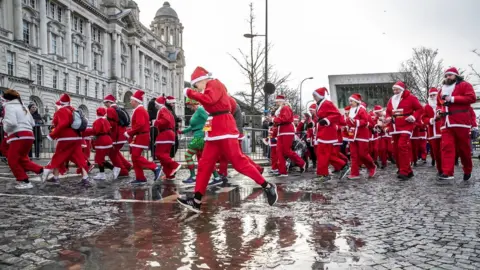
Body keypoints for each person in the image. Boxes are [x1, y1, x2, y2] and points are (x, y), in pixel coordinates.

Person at [178, 66, 277, 213]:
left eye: (196, 85)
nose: (196, 88)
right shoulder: (209, 88)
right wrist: (207, 130)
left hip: (224, 129)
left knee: (238, 162)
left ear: (201, 80)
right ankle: (196, 201)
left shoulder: (214, 83)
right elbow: (211, 106)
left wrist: (189, 92)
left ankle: (268, 186)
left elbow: (210, 100)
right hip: (215, 130)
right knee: (205, 164)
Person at [436, 67, 476, 181]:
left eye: (450, 75)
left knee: (464, 149)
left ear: (456, 75)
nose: (448, 77)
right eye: (446, 75)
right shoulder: (441, 89)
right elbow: (439, 104)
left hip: (461, 122)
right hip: (446, 123)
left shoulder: (465, 85)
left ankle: (467, 169)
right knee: (446, 147)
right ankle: (447, 172)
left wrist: (453, 99)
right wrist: (438, 111)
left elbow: (471, 98)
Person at [42, 94, 91, 186]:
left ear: (60, 102)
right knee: (79, 157)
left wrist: (52, 135)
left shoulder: (62, 111)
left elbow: (62, 124)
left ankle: (52, 174)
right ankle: (85, 178)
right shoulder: (73, 109)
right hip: (76, 137)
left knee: (58, 156)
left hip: (65, 138)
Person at [3, 89, 43, 189]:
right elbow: (33, 123)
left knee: (13, 160)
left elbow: (11, 123)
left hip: (18, 135)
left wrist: (5, 125)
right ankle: (41, 171)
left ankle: (24, 180)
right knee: (21, 158)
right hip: (29, 135)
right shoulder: (23, 106)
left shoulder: (9, 106)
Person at [384, 81, 423, 181]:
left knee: (402, 146)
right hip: (394, 127)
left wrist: (413, 117)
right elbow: (388, 112)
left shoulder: (411, 98)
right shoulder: (391, 100)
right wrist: (388, 118)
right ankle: (406, 170)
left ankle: (404, 171)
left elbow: (419, 109)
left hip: (406, 125)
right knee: (396, 150)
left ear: (402, 90)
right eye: (394, 90)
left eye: (397, 89)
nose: (395, 91)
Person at [312, 87, 350, 181]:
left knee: (323, 153)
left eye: (314, 95)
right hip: (322, 132)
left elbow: (337, 114)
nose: (313, 97)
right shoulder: (320, 104)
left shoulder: (327, 103)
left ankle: (325, 173)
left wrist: (326, 120)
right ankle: (340, 166)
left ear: (319, 95)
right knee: (323, 153)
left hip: (327, 132)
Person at [181, 98, 222, 184]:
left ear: (192, 103)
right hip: (200, 136)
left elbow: (209, 119)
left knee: (188, 155)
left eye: (188, 104)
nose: (188, 107)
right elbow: (193, 126)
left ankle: (193, 176)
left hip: (199, 138)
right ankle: (216, 177)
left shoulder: (200, 109)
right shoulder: (197, 111)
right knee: (205, 160)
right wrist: (182, 132)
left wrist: (205, 132)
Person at [124, 90, 162, 185]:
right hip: (140, 135)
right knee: (134, 157)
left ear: (136, 101)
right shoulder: (140, 110)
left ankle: (155, 167)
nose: (130, 102)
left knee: (136, 156)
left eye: (131, 100)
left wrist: (130, 132)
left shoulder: (139, 110)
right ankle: (140, 177)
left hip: (140, 136)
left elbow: (140, 124)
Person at [83, 107, 122, 180]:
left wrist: (84, 132)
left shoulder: (97, 122)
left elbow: (95, 131)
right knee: (100, 158)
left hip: (101, 141)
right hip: (108, 140)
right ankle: (102, 173)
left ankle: (114, 168)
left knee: (99, 158)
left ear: (97, 113)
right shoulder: (106, 121)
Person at [345, 93, 377, 179]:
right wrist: (349, 123)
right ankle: (354, 173)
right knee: (353, 155)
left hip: (362, 135)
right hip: (352, 135)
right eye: (349, 101)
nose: (350, 102)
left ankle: (372, 166)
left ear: (356, 102)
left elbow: (365, 121)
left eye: (352, 101)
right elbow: (348, 122)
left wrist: (354, 122)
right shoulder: (350, 111)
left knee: (363, 154)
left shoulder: (361, 110)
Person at [274, 95, 306, 177]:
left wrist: (274, 120)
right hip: (281, 132)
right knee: (279, 151)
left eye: (277, 101)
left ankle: (302, 163)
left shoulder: (285, 108)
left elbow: (286, 119)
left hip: (287, 131)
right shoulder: (281, 109)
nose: (276, 102)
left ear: (281, 101)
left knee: (286, 150)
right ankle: (282, 171)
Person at [153, 96, 181, 180]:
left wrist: (155, 122)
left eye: (155, 103)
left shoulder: (162, 109)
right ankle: (169, 174)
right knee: (164, 155)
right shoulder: (166, 110)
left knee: (159, 154)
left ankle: (175, 165)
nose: (155, 105)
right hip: (168, 133)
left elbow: (166, 121)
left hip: (165, 134)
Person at [104, 94, 132, 177]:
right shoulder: (118, 108)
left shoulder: (110, 110)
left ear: (109, 102)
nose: (104, 104)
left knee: (112, 153)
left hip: (116, 136)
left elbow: (111, 124)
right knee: (115, 152)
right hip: (122, 134)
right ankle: (127, 165)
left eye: (105, 102)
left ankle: (122, 171)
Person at [422, 88, 442, 175]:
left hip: (443, 131)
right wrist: (431, 120)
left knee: (444, 151)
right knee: (436, 152)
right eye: (431, 95)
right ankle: (440, 169)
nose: (433, 97)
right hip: (432, 132)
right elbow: (423, 118)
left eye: (434, 95)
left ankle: (446, 169)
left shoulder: (442, 104)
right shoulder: (426, 107)